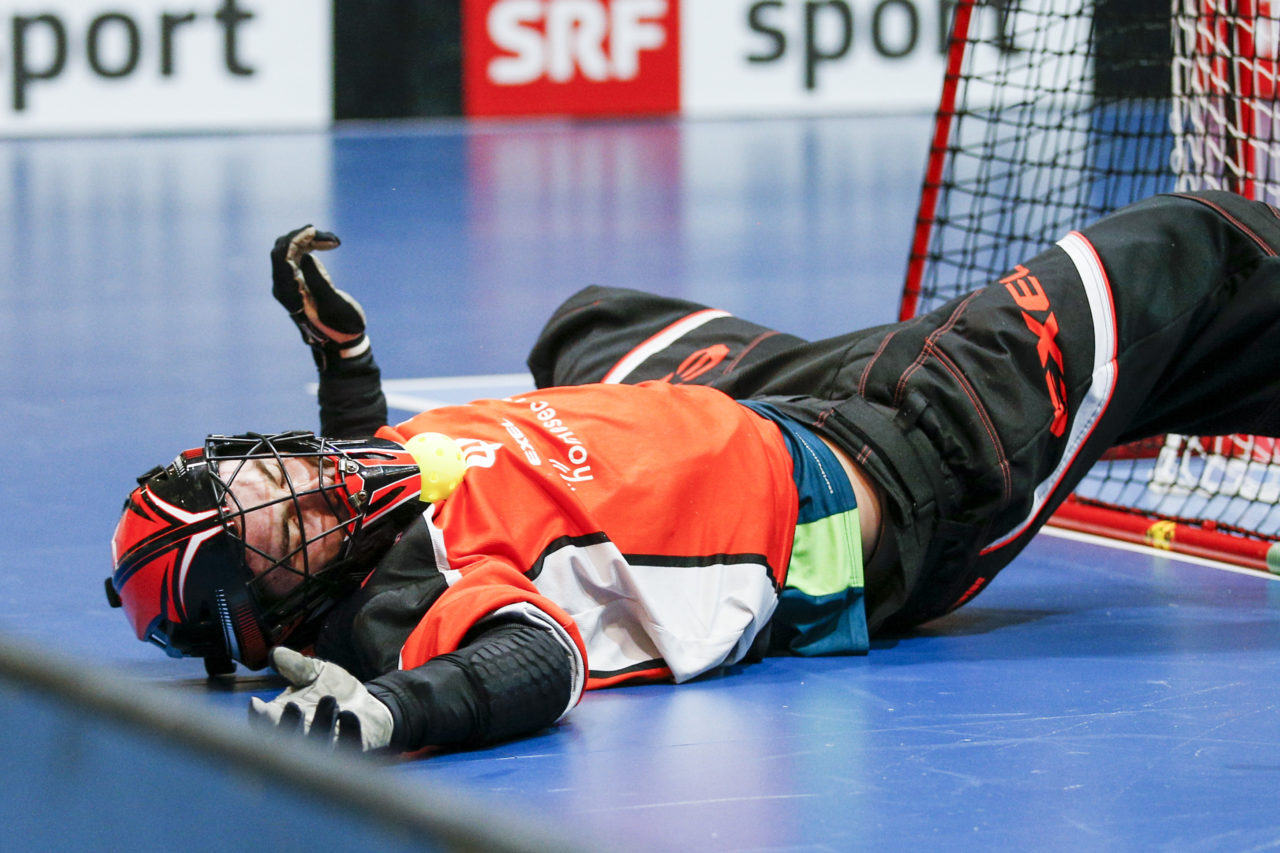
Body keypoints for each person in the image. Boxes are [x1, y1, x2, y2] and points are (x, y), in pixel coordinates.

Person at [108, 189, 1280, 755]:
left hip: (754, 404)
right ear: (272, 608)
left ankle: (1131, 381)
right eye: (262, 517)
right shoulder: (413, 605)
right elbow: (537, 663)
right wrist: (384, 710)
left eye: (253, 473)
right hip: (898, 473)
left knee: (588, 322)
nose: (288, 484)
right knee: (1189, 253)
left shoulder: (369, 500)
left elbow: (364, 461)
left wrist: (344, 358)